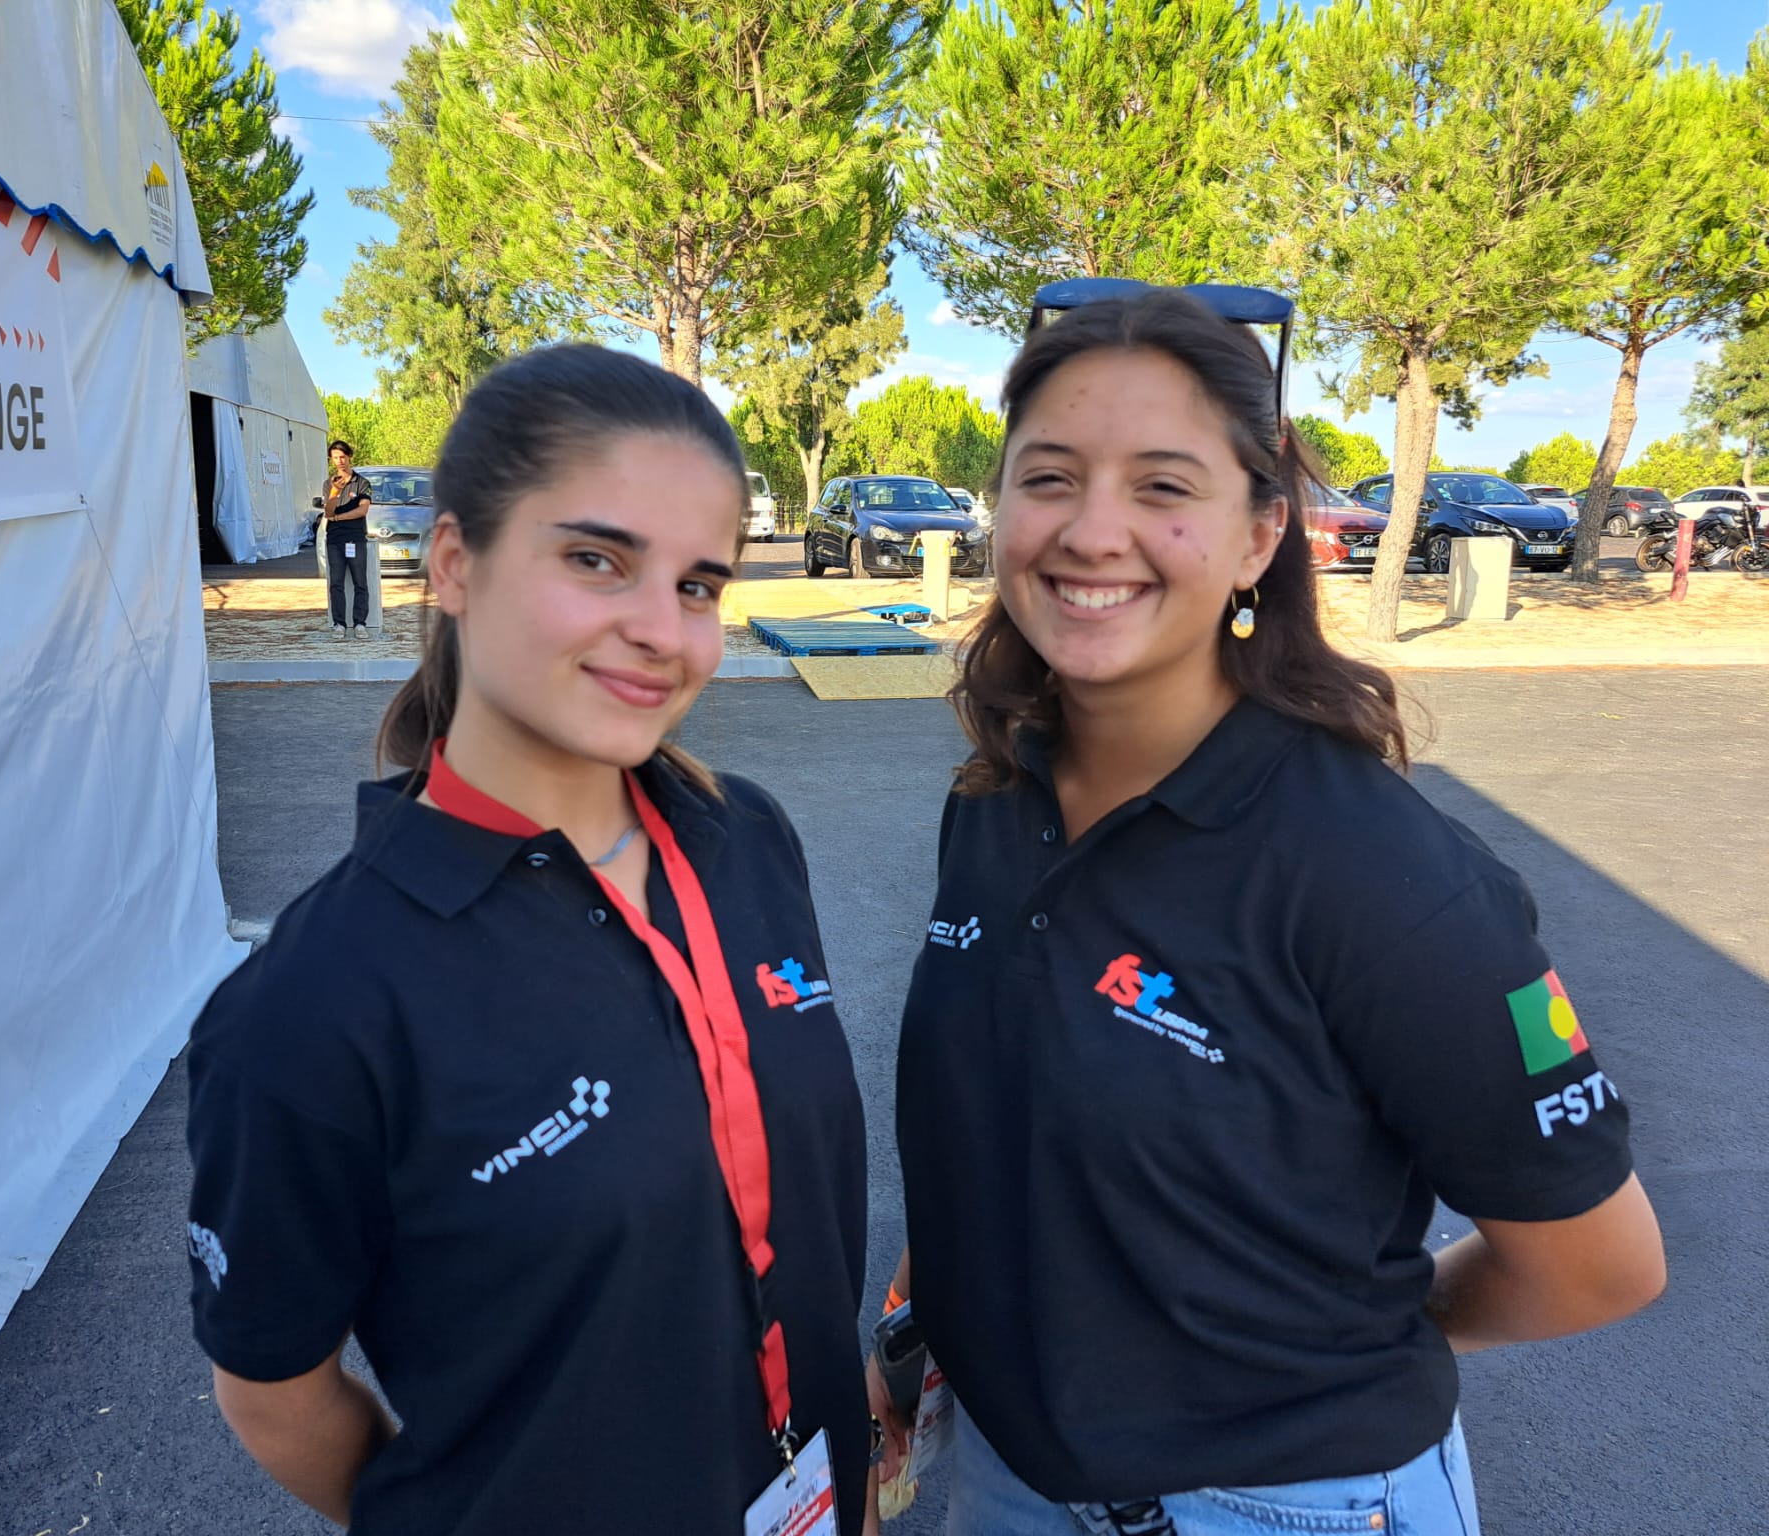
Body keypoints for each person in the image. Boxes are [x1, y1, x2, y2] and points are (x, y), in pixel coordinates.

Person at [876, 290, 1666, 1535]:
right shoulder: (994, 798)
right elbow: (1000, 1101)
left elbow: (1595, 1264)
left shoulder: (1380, 876)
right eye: (1049, 477)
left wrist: (1318, 1356)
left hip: (1268, 1505)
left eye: (1161, 487)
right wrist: (923, 1320)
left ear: (1257, 537)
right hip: (1003, 1475)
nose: (1092, 531)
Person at [185, 345, 877, 1534]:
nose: (662, 631)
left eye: (699, 585)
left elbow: (791, 1231)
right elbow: (275, 1393)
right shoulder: (312, 1003)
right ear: (454, 562)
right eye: (597, 559)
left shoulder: (741, 835)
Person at [322, 439, 374, 640]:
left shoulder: (362, 483)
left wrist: (340, 517)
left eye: (342, 456)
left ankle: (360, 623)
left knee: (360, 580)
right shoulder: (328, 484)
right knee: (336, 582)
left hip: (355, 538)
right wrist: (335, 492)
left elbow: (362, 510)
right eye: (335, 457)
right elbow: (328, 512)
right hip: (334, 539)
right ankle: (339, 624)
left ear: (349, 456)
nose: (340, 461)